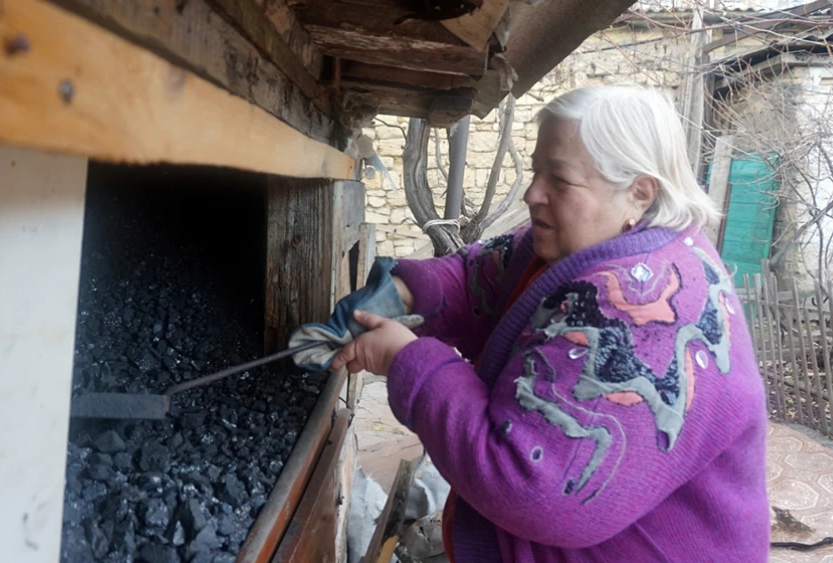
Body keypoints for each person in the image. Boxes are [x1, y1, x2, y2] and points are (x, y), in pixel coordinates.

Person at [290, 85, 770, 562]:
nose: (532, 193)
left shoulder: (647, 308)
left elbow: (529, 482)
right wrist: (403, 293)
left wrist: (407, 360)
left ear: (638, 194)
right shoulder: (579, 240)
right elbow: (482, 273)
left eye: (558, 180)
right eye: (537, 169)